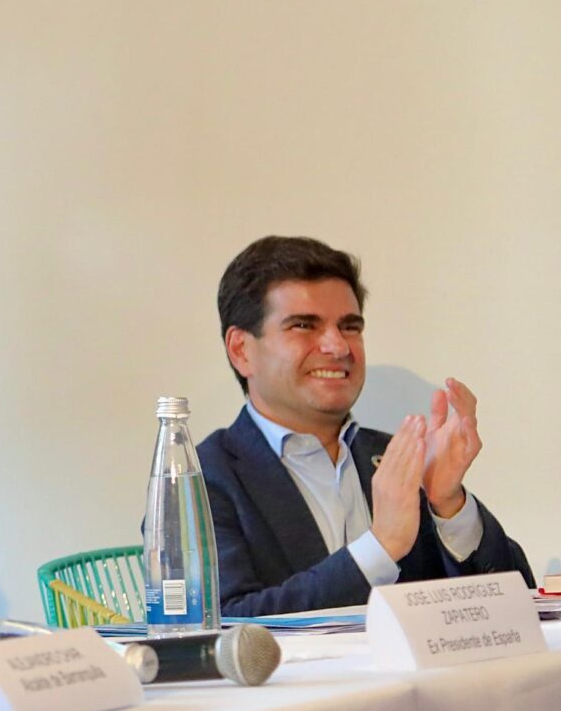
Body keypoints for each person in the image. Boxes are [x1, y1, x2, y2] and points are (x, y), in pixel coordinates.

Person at [199, 236, 528, 617]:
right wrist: (380, 547)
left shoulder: (397, 458)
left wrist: (449, 506)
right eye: (304, 325)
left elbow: (519, 603)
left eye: (350, 326)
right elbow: (224, 625)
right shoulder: (201, 479)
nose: (338, 347)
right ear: (241, 349)